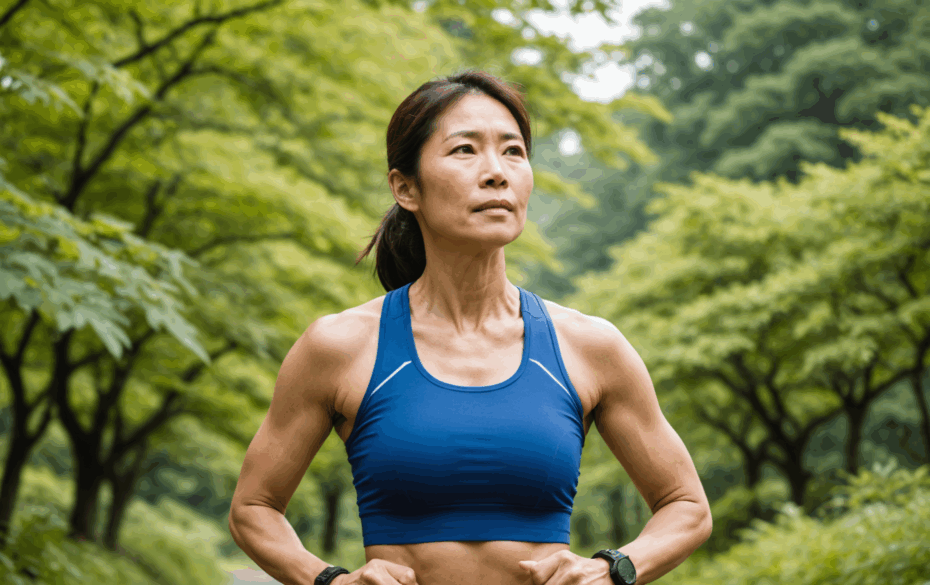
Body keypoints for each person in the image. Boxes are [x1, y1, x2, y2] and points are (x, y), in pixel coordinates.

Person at [228, 70, 712, 585]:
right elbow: (254, 508)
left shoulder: (590, 346)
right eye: (464, 150)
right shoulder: (340, 346)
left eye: (513, 151)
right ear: (405, 187)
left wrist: (614, 569)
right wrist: (331, 580)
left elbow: (687, 507)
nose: (496, 172)